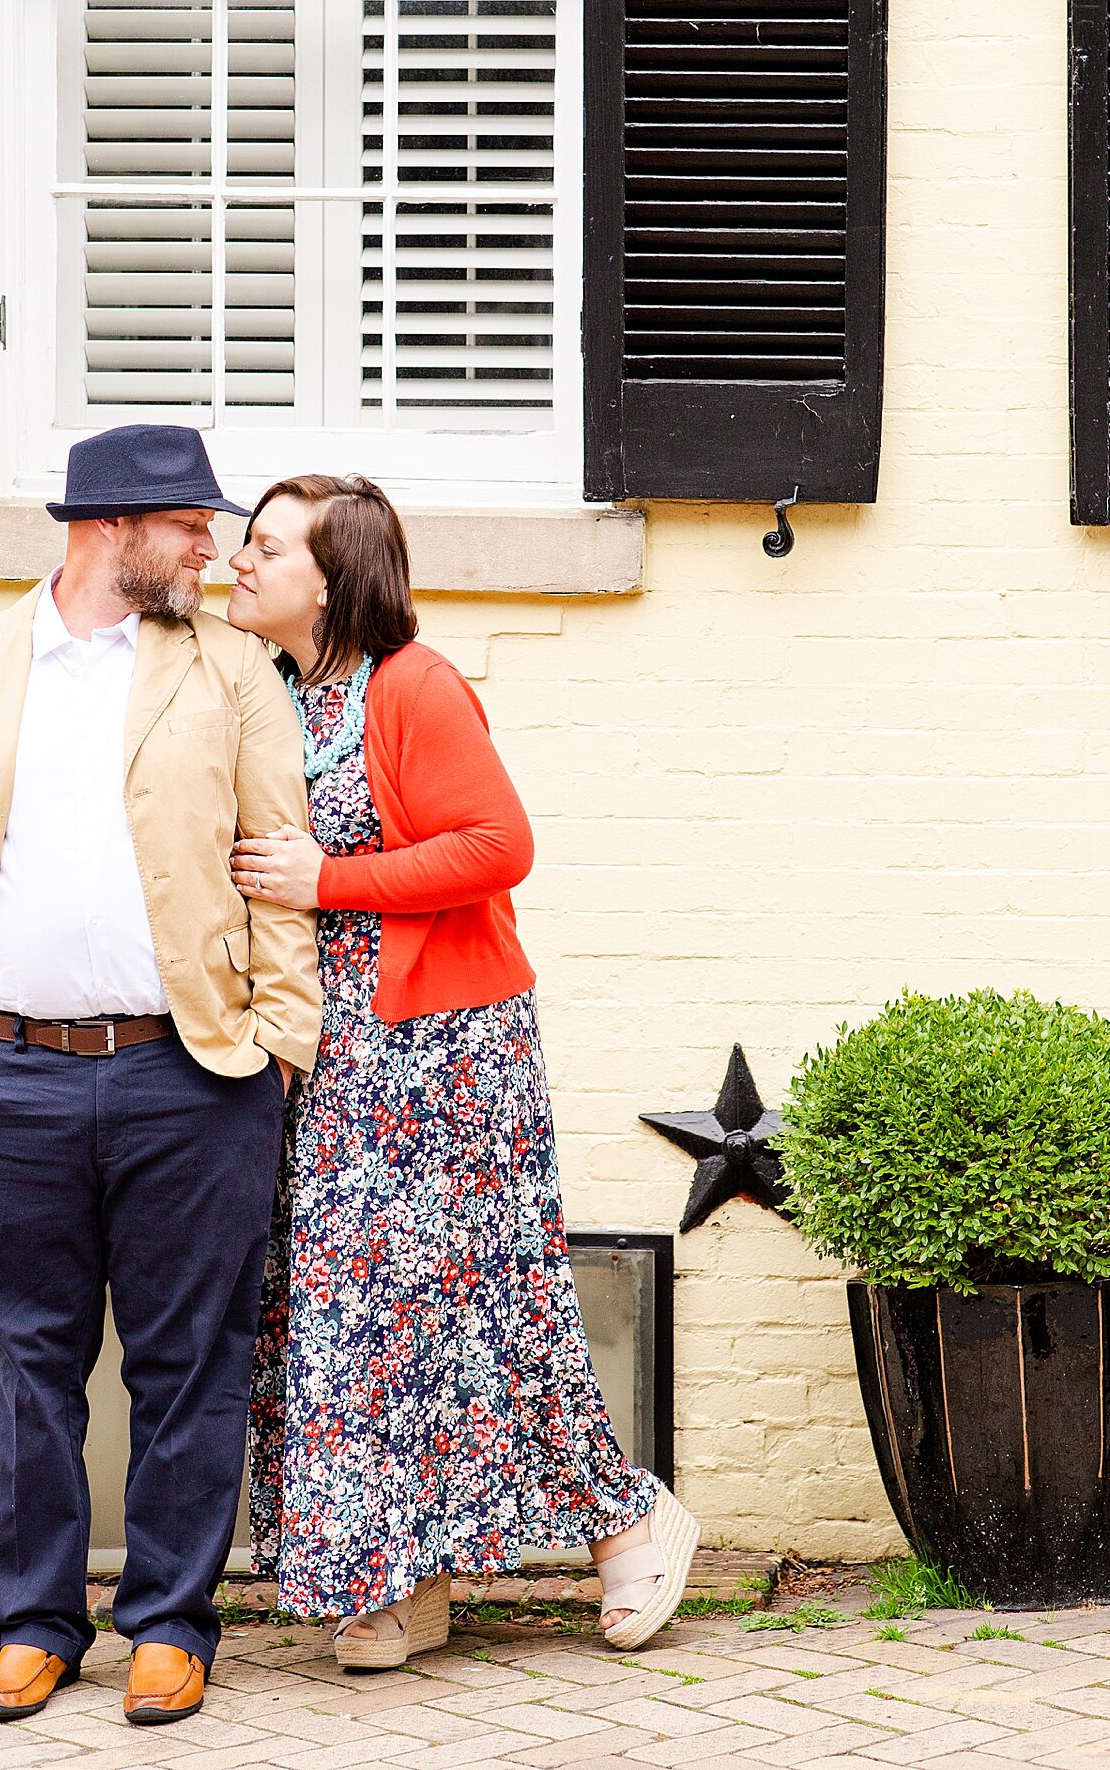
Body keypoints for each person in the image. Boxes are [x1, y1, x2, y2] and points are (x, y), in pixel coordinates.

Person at [0, 425, 321, 1729]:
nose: (212, 547)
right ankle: (33, 1621)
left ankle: (174, 1623)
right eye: (191, 523)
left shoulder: (230, 670)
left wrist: (279, 1046)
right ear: (108, 529)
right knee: (26, 1360)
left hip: (193, 1074)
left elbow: (277, 850)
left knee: (193, 1361)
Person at [227, 475, 699, 1666]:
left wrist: (325, 879)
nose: (239, 559)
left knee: (484, 1308)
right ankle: (403, 1578)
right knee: (357, 1318)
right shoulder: (271, 693)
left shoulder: (413, 685)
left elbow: (499, 845)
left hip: (445, 1054)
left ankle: (630, 1519)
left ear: (333, 578)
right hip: (334, 1057)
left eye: (266, 545)